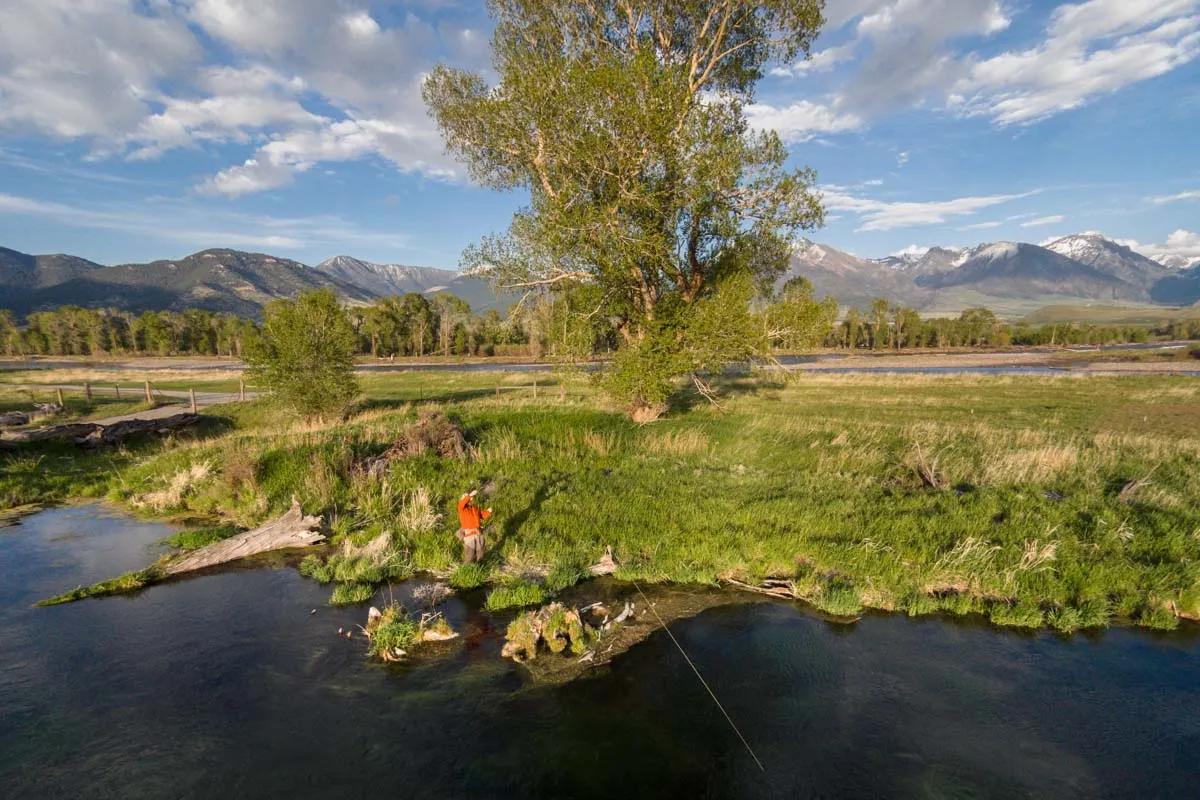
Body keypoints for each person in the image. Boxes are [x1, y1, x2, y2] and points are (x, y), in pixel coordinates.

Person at [456, 489, 492, 563]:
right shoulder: (461, 508)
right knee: (469, 556)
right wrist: (470, 495)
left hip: (478, 534)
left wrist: (488, 512)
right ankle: (467, 571)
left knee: (481, 554)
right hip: (469, 536)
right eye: (466, 497)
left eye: (470, 498)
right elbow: (462, 503)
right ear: (463, 499)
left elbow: (481, 515)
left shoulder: (474, 508)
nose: (470, 499)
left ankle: (480, 570)